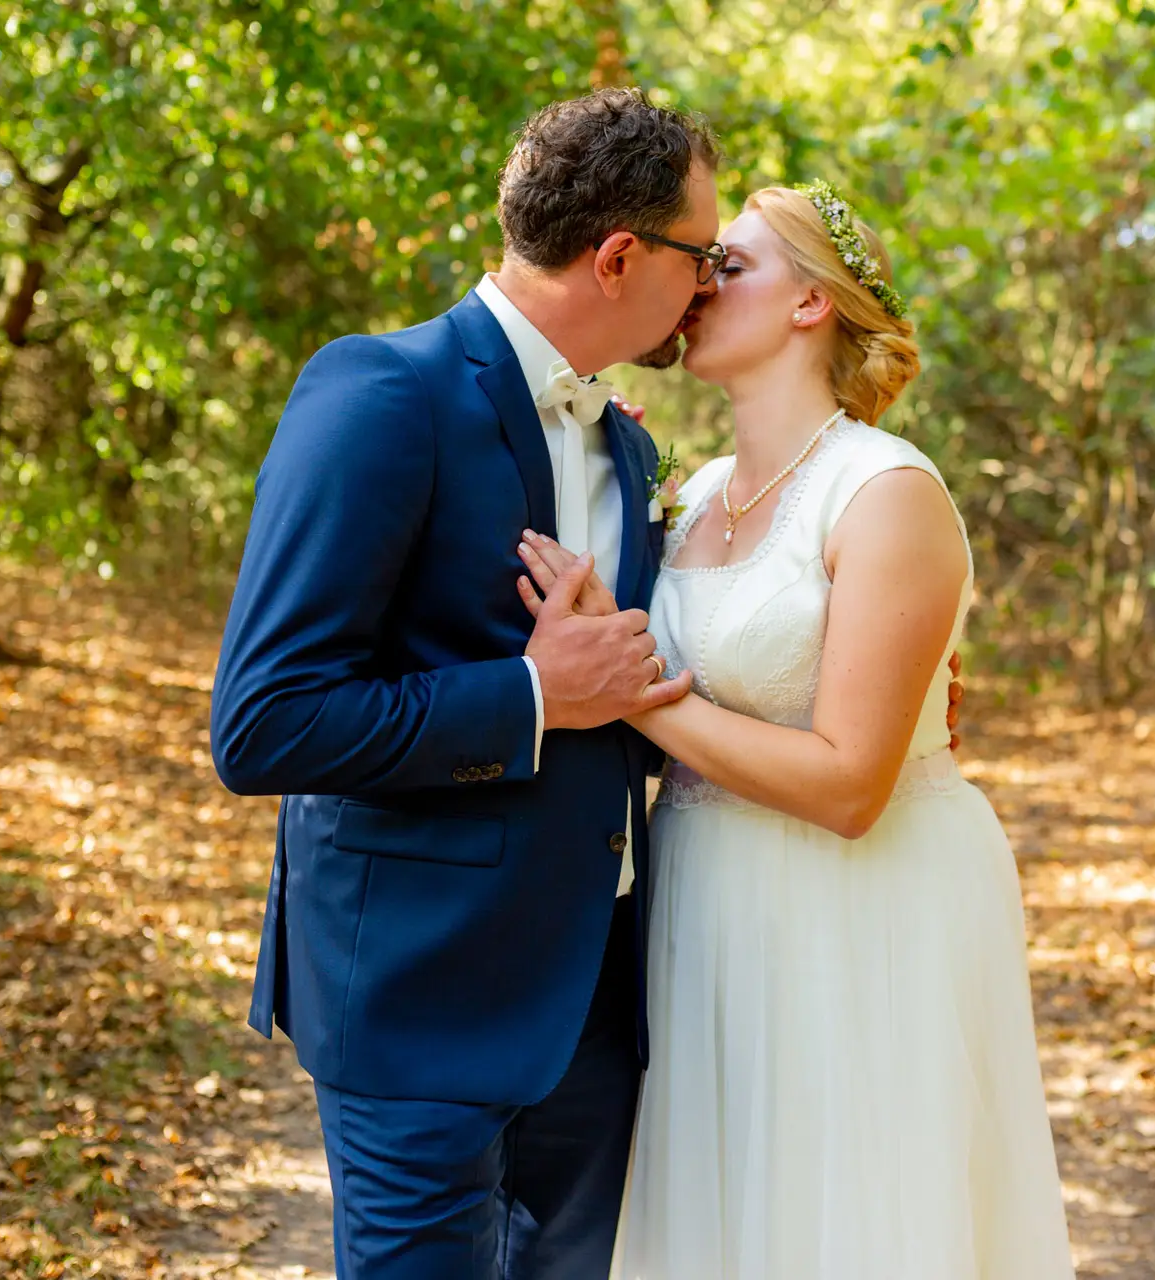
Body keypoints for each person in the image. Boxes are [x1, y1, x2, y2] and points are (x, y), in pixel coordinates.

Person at [515, 182, 1076, 1278]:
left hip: (859, 907)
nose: (695, 284)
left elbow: (848, 782)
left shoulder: (886, 491)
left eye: (728, 265)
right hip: (701, 897)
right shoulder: (690, 493)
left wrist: (635, 690)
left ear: (814, 304)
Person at [209, 89, 713, 1280]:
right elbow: (264, 720)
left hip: (595, 1004)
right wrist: (532, 696)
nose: (710, 283)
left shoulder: (633, 446)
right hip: (416, 996)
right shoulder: (384, 393)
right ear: (621, 256)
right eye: (703, 255)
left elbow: (631, 704)